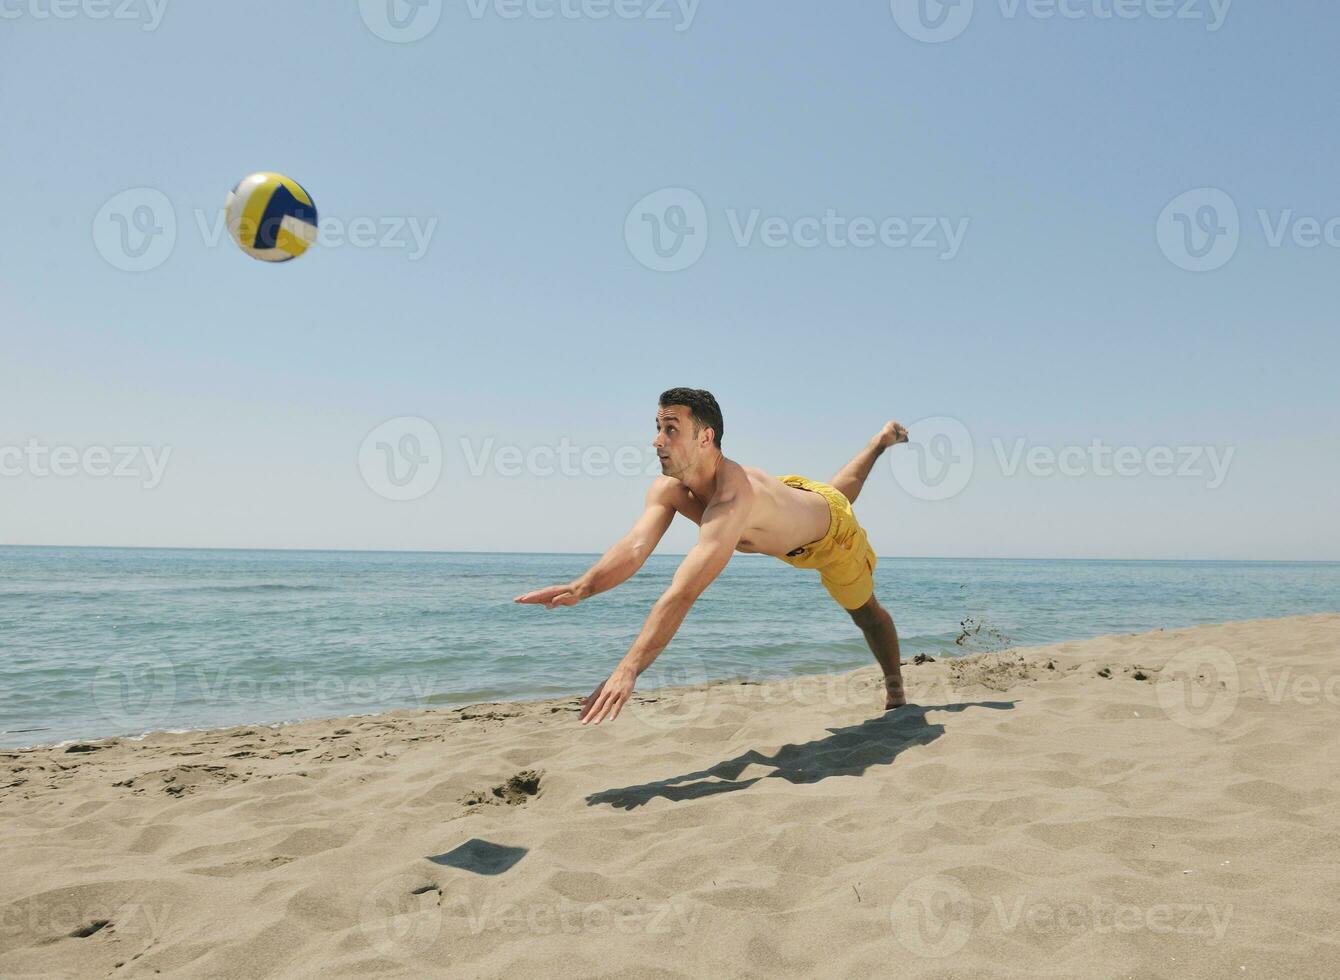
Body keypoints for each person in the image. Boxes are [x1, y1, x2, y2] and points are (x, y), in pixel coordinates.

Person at [514, 387, 910, 725]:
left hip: (829, 541)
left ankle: (897, 697)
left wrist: (629, 668)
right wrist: (582, 587)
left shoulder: (733, 497)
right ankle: (878, 442)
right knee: (831, 493)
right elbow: (636, 546)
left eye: (671, 430)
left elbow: (682, 592)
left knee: (865, 611)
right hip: (795, 500)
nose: (657, 441)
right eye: (657, 428)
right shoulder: (670, 488)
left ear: (706, 438)